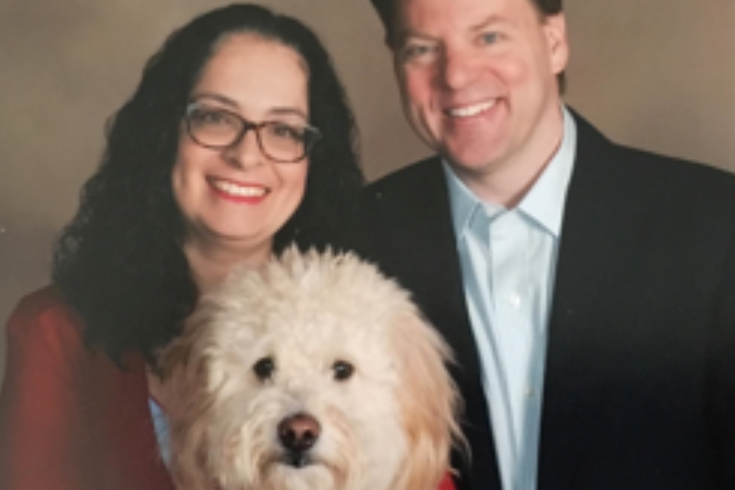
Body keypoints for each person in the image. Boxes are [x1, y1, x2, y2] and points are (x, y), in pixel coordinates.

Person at [344, 0, 735, 489]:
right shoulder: (352, 242)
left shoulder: (716, 227)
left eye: (488, 37)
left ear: (554, 42)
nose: (457, 76)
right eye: (423, 49)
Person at [0, 4, 363, 489]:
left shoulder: (363, 331)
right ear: (165, 133)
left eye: (283, 130)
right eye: (215, 117)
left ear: (313, 160)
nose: (246, 155)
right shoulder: (54, 332)